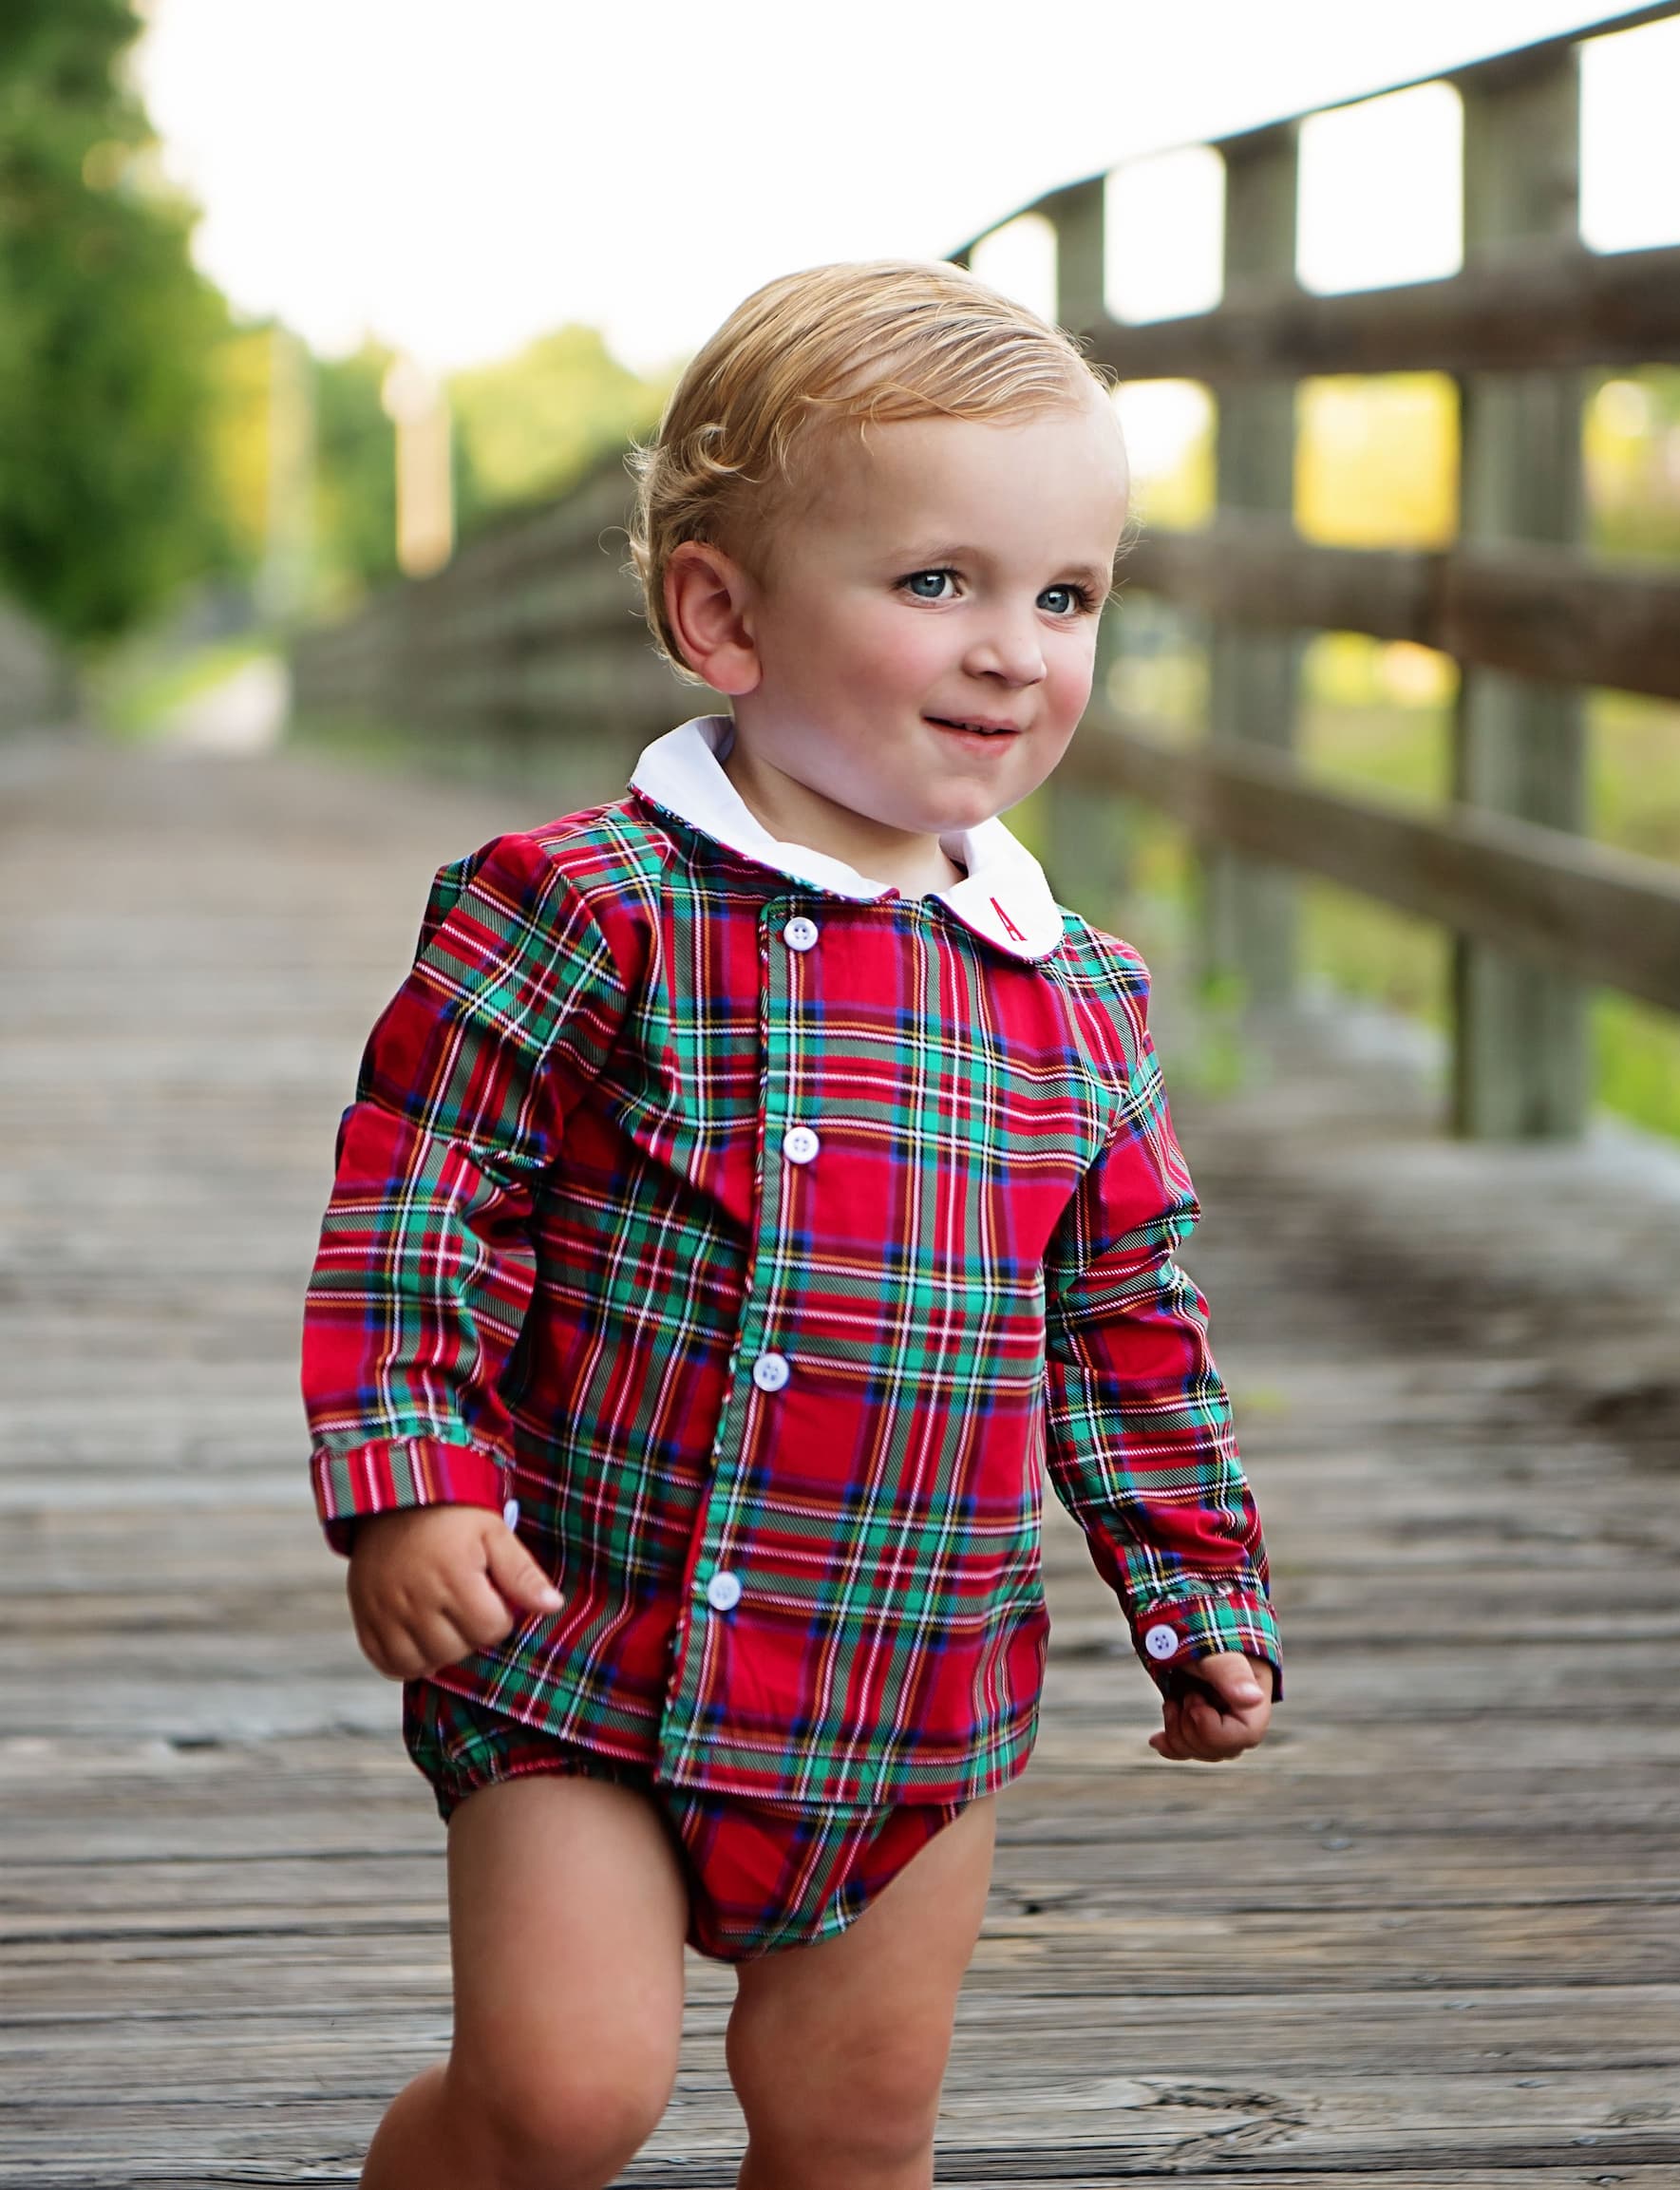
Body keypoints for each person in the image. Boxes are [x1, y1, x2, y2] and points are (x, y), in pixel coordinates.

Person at [301, 258, 1281, 2190]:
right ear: (718, 613)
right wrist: (415, 1476)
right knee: (562, 2096)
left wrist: (1192, 1594)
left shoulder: (1074, 994)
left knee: (851, 2128)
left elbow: (1125, 1331)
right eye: (936, 583)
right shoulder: (587, 904)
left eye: (1062, 594)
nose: (1012, 649)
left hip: (901, 1666)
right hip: (587, 1631)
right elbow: (422, 1197)